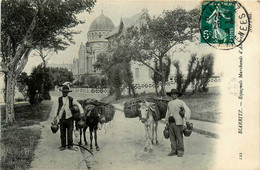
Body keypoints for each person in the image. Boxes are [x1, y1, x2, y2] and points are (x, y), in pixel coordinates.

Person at [54, 85, 84, 151]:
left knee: (70, 132)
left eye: (66, 92)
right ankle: (63, 146)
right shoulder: (59, 99)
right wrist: (55, 116)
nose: (64, 93)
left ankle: (70, 145)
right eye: (63, 92)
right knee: (62, 132)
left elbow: (78, 105)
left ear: (68, 93)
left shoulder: (71, 99)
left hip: (70, 118)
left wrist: (82, 112)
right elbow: (56, 108)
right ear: (62, 92)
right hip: (61, 118)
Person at [165, 89, 191, 157]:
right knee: (172, 137)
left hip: (178, 122)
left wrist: (186, 119)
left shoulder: (181, 102)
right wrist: (166, 121)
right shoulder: (169, 103)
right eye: (172, 94)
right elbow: (167, 112)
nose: (173, 95)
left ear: (177, 95)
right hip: (171, 122)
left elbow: (187, 110)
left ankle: (180, 151)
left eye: (174, 94)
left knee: (179, 137)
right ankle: (173, 151)